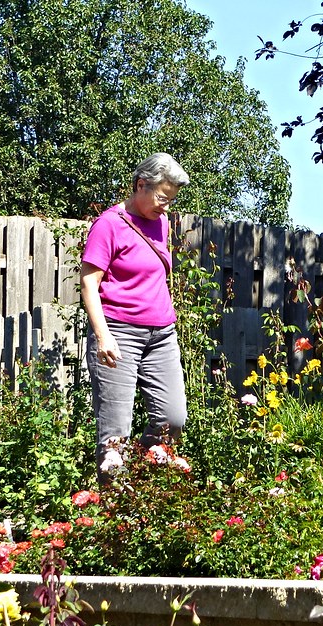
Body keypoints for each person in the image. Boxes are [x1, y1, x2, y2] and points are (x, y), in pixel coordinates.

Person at [80, 152, 189, 474]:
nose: (165, 206)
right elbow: (89, 282)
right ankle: (112, 509)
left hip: (162, 335)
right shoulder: (109, 225)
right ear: (140, 184)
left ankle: (143, 469)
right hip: (119, 332)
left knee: (173, 420)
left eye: (170, 200)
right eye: (161, 198)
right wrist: (103, 337)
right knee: (115, 436)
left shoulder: (162, 223)